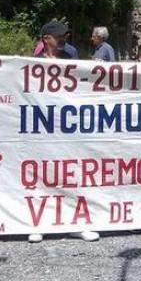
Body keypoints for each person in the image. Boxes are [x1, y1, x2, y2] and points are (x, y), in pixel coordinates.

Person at [27, 21, 99, 244]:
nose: (62, 40)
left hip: (67, 129)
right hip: (41, 128)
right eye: (58, 37)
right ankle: (38, 224)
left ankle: (76, 224)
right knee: (41, 179)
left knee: (71, 177)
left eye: (64, 36)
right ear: (45, 38)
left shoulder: (70, 61)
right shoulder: (32, 63)